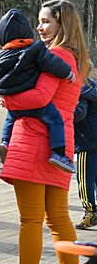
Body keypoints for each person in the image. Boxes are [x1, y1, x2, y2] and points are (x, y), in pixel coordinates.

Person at [0, 0, 91, 264]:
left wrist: (7, 100)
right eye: (39, 21)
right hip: (59, 145)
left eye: (46, 21)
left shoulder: (57, 56)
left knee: (30, 220)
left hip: (34, 142)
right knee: (59, 218)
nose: (39, 27)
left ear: (62, 24)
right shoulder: (76, 59)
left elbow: (40, 97)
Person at [0, 8, 76, 172]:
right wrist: (67, 73)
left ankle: (5, 141)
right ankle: (58, 153)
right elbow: (52, 64)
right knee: (55, 120)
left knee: (10, 119)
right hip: (36, 105)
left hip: (13, 101)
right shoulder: (36, 49)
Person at [73, 77, 97, 230]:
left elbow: (79, 113)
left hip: (85, 141)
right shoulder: (91, 85)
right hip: (93, 138)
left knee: (84, 179)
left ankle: (90, 212)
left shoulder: (78, 88)